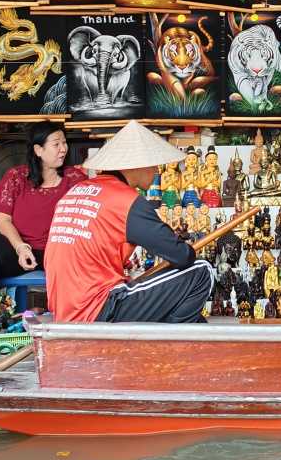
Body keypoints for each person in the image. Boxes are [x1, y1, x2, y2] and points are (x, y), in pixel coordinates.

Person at [44, 120, 214, 323]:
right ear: (137, 164)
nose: (157, 171)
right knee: (202, 271)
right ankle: (167, 346)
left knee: (196, 320)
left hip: (66, 309)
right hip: (97, 307)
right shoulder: (127, 201)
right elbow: (181, 255)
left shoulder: (75, 192)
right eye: (154, 164)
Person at [0, 122, 86, 297]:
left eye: (64, 143)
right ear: (38, 150)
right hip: (20, 253)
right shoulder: (16, 178)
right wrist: (21, 248)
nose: (63, 149)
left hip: (61, 254)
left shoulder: (75, 179)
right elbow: (3, 220)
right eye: (56, 144)